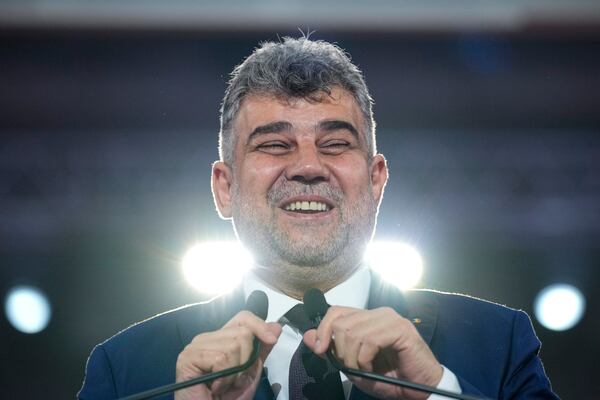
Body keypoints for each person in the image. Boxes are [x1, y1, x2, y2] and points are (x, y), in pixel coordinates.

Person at [78, 37, 559, 400]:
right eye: (273, 144)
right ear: (224, 188)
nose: (308, 167)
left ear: (375, 181)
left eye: (335, 144)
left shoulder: (498, 344)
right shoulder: (125, 369)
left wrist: (434, 391)